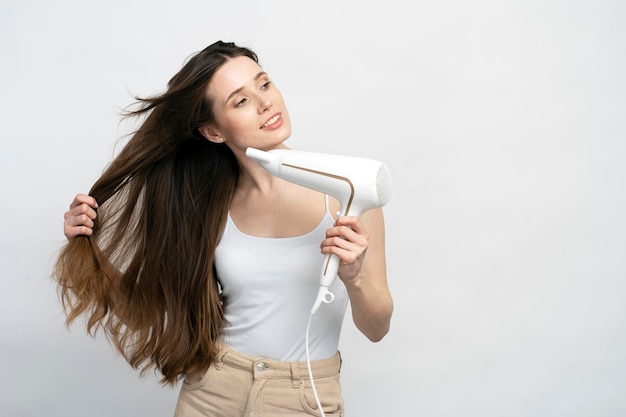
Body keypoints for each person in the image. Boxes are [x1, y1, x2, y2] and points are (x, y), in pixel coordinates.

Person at [54, 40, 393, 416]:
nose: (266, 103)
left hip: (302, 395)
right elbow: (145, 310)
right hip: (212, 390)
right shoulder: (209, 206)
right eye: (241, 101)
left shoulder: (347, 194)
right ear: (214, 132)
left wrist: (355, 276)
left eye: (264, 84)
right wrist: (86, 244)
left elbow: (377, 328)